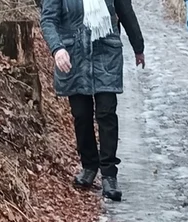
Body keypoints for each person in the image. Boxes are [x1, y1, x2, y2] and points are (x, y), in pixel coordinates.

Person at [41, 0, 145, 202]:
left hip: (105, 53)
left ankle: (109, 174)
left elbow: (126, 12)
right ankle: (89, 166)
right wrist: (57, 48)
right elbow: (48, 19)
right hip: (74, 56)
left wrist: (138, 46)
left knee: (106, 113)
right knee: (81, 115)